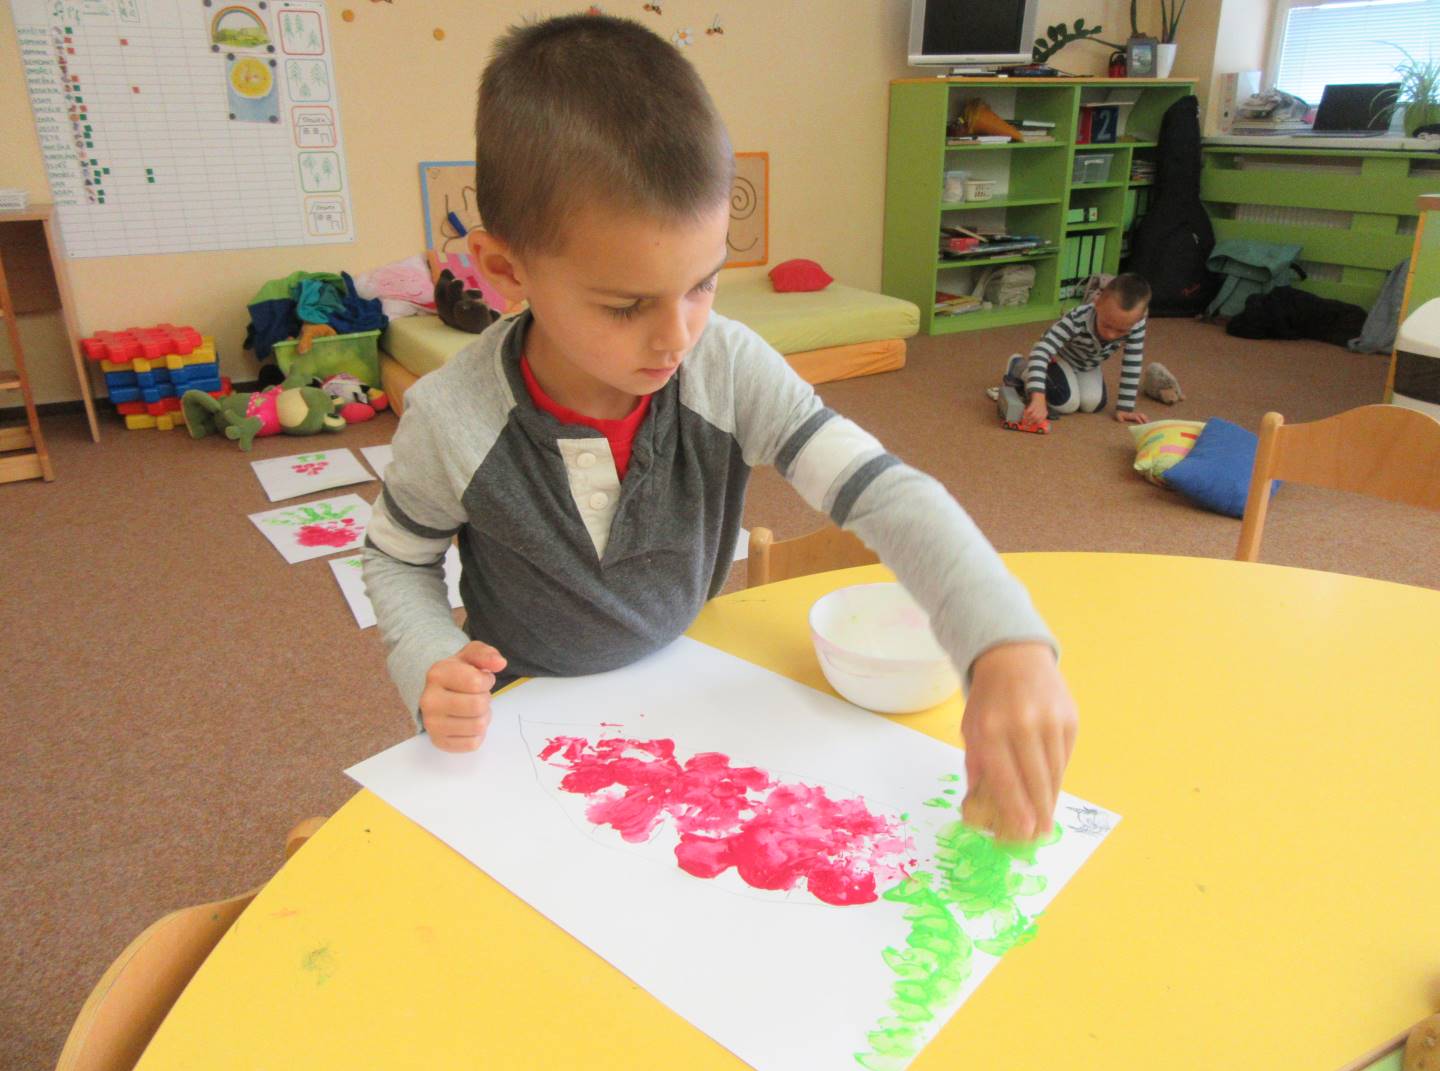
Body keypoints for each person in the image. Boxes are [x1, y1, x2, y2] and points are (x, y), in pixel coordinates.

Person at [363, 14, 1076, 842]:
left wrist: (1002, 640)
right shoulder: (452, 418)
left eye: (703, 284)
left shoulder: (725, 365)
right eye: (626, 305)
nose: (677, 338)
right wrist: (428, 660)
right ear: (504, 270)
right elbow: (396, 557)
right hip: (523, 715)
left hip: (685, 683)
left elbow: (883, 492)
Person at [1007, 274, 1153, 428]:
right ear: (1097, 302)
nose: (1111, 335)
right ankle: (1020, 367)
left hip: (1087, 366)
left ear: (1140, 318)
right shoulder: (1077, 318)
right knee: (1066, 403)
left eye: (1121, 331)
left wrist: (1125, 408)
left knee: (1092, 404)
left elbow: (1132, 363)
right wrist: (1038, 397)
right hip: (1057, 360)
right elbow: (1041, 351)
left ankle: (1066, 381)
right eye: (1107, 325)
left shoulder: (1136, 324)